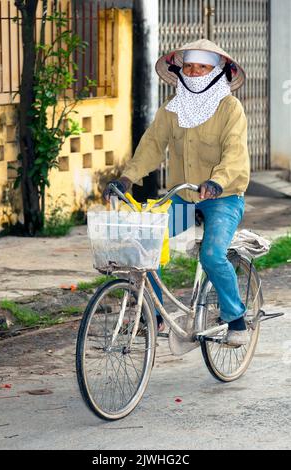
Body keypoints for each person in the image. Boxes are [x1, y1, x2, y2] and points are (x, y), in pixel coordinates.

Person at [103, 39, 250, 347]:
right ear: (179, 70)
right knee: (145, 249)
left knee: (212, 255)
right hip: (182, 197)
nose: (194, 72)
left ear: (218, 71)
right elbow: (151, 147)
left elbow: (235, 154)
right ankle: (153, 315)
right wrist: (127, 179)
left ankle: (236, 317)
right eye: (188, 66)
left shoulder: (229, 108)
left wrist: (218, 182)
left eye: (202, 67)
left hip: (223, 197)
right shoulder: (172, 109)